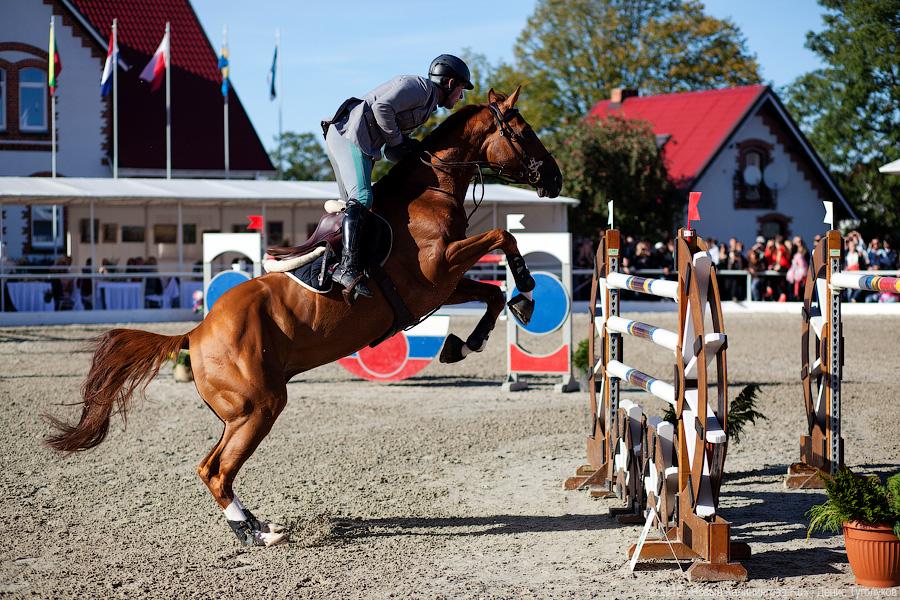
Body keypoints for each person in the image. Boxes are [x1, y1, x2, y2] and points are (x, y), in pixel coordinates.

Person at [322, 54, 474, 299]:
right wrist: (399, 141)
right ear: (449, 83)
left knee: (357, 210)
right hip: (351, 135)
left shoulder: (426, 106)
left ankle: (341, 262)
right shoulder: (420, 88)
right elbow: (382, 109)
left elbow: (391, 149)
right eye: (461, 90)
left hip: (356, 139)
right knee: (361, 198)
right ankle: (347, 268)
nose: (460, 97)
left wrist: (412, 150)